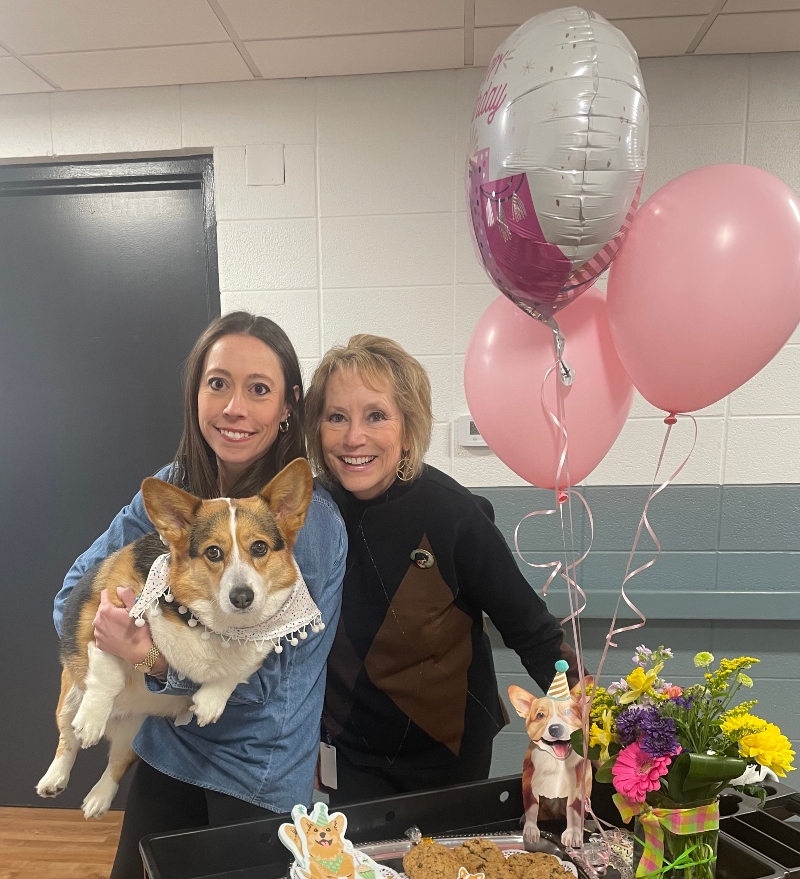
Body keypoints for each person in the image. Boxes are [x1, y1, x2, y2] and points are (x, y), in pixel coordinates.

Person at [52, 312, 346, 879]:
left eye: (259, 389)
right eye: (218, 383)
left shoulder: (306, 525)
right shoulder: (173, 488)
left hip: (253, 775)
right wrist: (100, 644)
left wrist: (149, 656)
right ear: (196, 395)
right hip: (167, 754)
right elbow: (73, 595)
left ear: (288, 406)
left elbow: (266, 685)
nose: (234, 406)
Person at [304, 334, 578, 806]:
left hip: (450, 753)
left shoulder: (453, 514)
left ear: (408, 427)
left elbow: (530, 630)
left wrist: (597, 715)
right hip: (351, 756)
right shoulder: (307, 513)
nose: (353, 438)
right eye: (336, 417)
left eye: (376, 415)